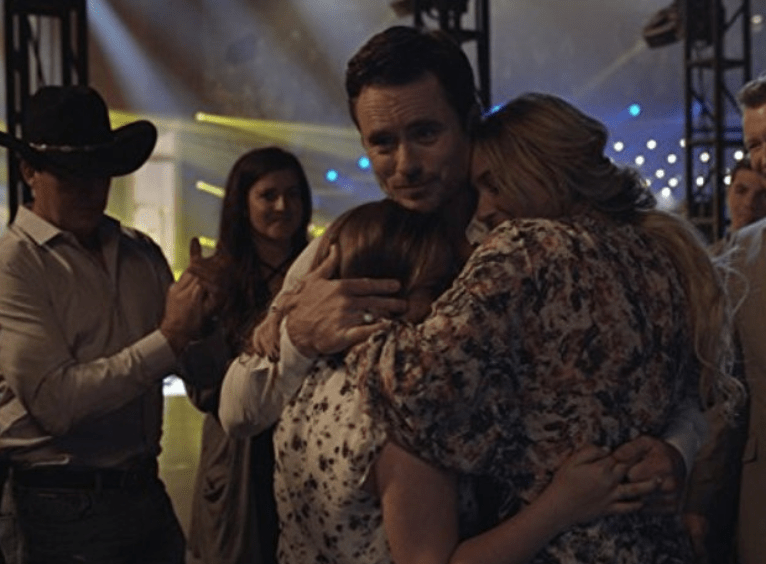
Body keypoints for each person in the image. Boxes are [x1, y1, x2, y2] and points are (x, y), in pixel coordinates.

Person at [220, 27, 707, 506]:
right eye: (383, 143)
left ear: (470, 120)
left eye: (425, 133)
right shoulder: (354, 246)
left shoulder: (532, 235)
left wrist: (676, 450)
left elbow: (668, 374)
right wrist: (298, 340)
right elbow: (237, 412)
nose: (406, 164)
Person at [336, 92, 743, 563]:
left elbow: (408, 385)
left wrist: (356, 319)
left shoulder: (528, 246)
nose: (483, 211)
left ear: (538, 169)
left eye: (493, 185)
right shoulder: (657, 254)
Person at [267, 198, 659, 564]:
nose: (453, 304)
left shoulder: (314, 371)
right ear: (383, 292)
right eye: (437, 286)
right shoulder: (401, 407)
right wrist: (562, 506)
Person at [0, 85, 211, 563]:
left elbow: (202, 373)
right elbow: (57, 403)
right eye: (71, 174)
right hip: (59, 502)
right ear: (30, 172)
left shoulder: (140, 251)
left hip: (142, 489)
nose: (91, 187)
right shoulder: (15, 265)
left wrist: (208, 317)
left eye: (99, 171)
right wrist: (171, 337)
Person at [179, 147, 312, 564]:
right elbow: (204, 392)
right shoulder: (217, 277)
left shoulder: (319, 272)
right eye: (268, 195)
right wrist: (200, 323)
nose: (283, 206)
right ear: (242, 203)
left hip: (311, 447)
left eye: (293, 193)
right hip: (242, 457)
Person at [688, 73, 766, 564]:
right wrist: (701, 504)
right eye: (755, 144)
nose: (764, 157)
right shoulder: (742, 254)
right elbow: (728, 395)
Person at [707, 157, 766, 255]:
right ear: (728, 192)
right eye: (741, 191)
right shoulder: (710, 257)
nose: (749, 202)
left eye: (762, 195)